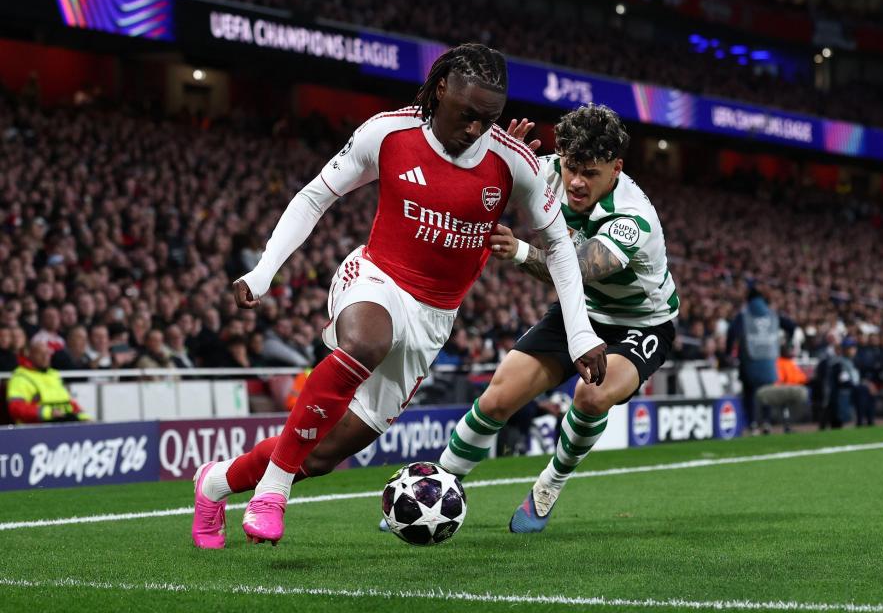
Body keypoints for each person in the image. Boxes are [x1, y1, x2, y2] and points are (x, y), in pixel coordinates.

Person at [190, 44, 607, 549]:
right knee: (365, 342)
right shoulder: (387, 132)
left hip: (433, 319)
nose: (476, 129)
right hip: (376, 278)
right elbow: (316, 195)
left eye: (489, 118)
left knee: (321, 455)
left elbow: (560, 245)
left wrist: (581, 332)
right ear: (439, 91)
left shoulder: (512, 162)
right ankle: (271, 493)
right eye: (467, 114)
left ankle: (214, 483)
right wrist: (263, 271)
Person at [434, 103, 679, 533]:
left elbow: (579, 269)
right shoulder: (546, 170)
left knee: (591, 396)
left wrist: (522, 251)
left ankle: (550, 483)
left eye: (591, 172)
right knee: (497, 398)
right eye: (571, 167)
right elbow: (473, 180)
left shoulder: (630, 217)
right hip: (578, 309)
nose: (577, 182)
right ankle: (436, 489)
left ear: (616, 168)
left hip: (641, 323)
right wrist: (494, 157)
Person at [726, 288, 794, 434]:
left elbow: (731, 334)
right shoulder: (773, 315)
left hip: (748, 361)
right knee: (767, 393)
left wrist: (728, 353)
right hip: (769, 362)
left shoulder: (743, 316)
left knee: (749, 393)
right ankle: (767, 423)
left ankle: (752, 424)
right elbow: (791, 326)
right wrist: (787, 343)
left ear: (748, 300)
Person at [6, 341, 90, 423]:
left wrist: (83, 417)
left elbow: (67, 402)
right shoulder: (20, 378)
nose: (45, 357)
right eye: (40, 353)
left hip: (61, 425)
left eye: (47, 353)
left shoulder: (53, 374)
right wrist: (49, 413)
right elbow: (16, 408)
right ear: (29, 354)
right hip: (34, 430)